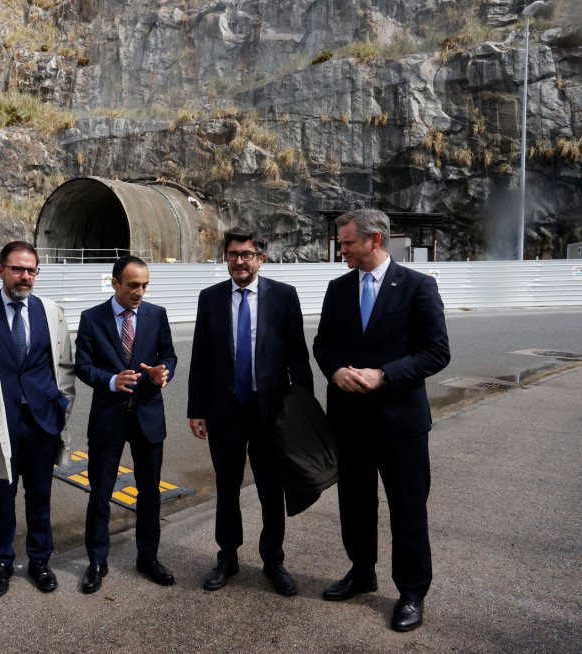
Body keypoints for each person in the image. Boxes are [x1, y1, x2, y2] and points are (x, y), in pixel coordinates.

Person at [313, 209, 450, 632]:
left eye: (349, 242)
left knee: (408, 510)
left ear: (374, 240)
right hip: (349, 421)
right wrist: (335, 371)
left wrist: (386, 375)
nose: (342, 249)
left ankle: (411, 592)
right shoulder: (338, 289)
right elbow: (323, 344)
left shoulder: (417, 287)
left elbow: (437, 352)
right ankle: (361, 571)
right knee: (354, 504)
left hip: (400, 424)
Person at [187, 226, 314, 596]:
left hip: (269, 413)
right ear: (225, 257)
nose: (239, 261)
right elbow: (200, 359)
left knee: (271, 491)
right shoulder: (209, 298)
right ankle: (227, 557)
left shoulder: (283, 296)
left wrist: (301, 410)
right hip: (224, 411)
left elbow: (298, 358)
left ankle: (273, 561)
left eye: (246, 254)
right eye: (232, 254)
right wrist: (196, 408)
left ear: (262, 257)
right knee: (226, 488)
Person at [0, 241, 76, 598]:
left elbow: (65, 367)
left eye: (31, 270)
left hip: (43, 423)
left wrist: (61, 408)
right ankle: (3, 564)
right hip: (1, 424)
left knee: (40, 494)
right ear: (1, 270)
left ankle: (40, 561)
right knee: (2, 497)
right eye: (17, 269)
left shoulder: (51, 311)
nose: (25, 276)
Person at [74, 255, 178, 594]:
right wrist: (110, 381)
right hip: (108, 418)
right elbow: (83, 365)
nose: (140, 292)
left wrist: (163, 372)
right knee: (101, 494)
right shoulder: (92, 318)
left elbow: (169, 356)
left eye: (145, 285)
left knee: (150, 493)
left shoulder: (156, 314)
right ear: (115, 282)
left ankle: (147, 558)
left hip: (147, 415)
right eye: (133, 285)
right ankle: (96, 561)